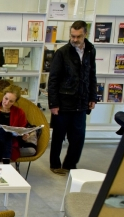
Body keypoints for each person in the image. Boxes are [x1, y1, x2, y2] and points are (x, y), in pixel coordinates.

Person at [47, 20, 97, 176]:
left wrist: (92, 96)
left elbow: (92, 75)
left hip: (81, 101)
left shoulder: (90, 50)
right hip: (63, 102)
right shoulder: (62, 52)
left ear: (85, 34)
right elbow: (53, 79)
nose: (75, 40)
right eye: (72, 36)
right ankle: (55, 164)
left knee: (78, 137)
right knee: (58, 136)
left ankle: (70, 164)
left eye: (78, 36)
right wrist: (53, 103)